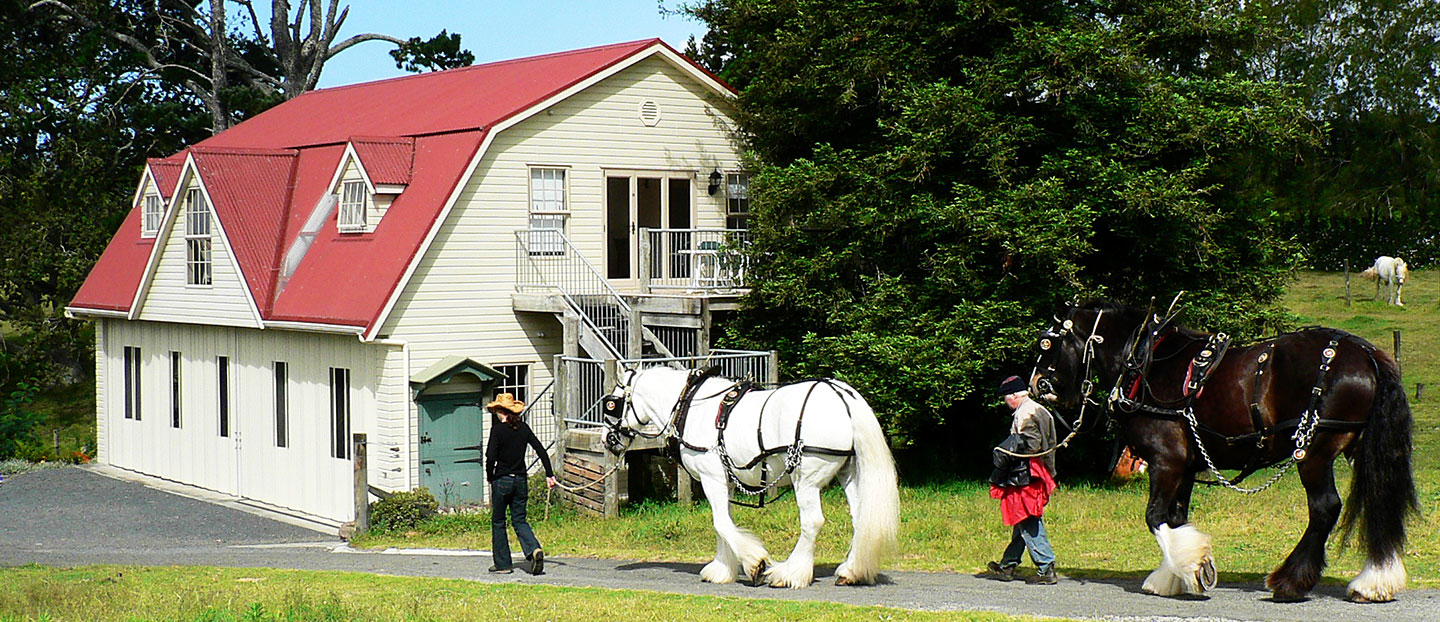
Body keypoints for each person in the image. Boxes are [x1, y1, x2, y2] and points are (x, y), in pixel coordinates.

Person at [984, 375, 1060, 585]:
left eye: (1006, 397)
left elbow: (1031, 444)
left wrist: (1004, 452)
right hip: (1038, 471)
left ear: (1015, 395)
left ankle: (1046, 567)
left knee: (1026, 518)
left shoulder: (1025, 414)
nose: (1005, 401)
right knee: (1022, 519)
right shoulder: (1041, 410)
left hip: (1025, 474)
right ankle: (1008, 565)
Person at [484, 392, 557, 575]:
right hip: (521, 480)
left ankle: (503, 564)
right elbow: (540, 449)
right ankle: (533, 549)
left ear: (501, 411)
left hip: (503, 480)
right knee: (519, 519)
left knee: (499, 521)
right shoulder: (523, 428)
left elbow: (490, 456)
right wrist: (549, 474)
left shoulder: (497, 431)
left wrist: (490, 474)